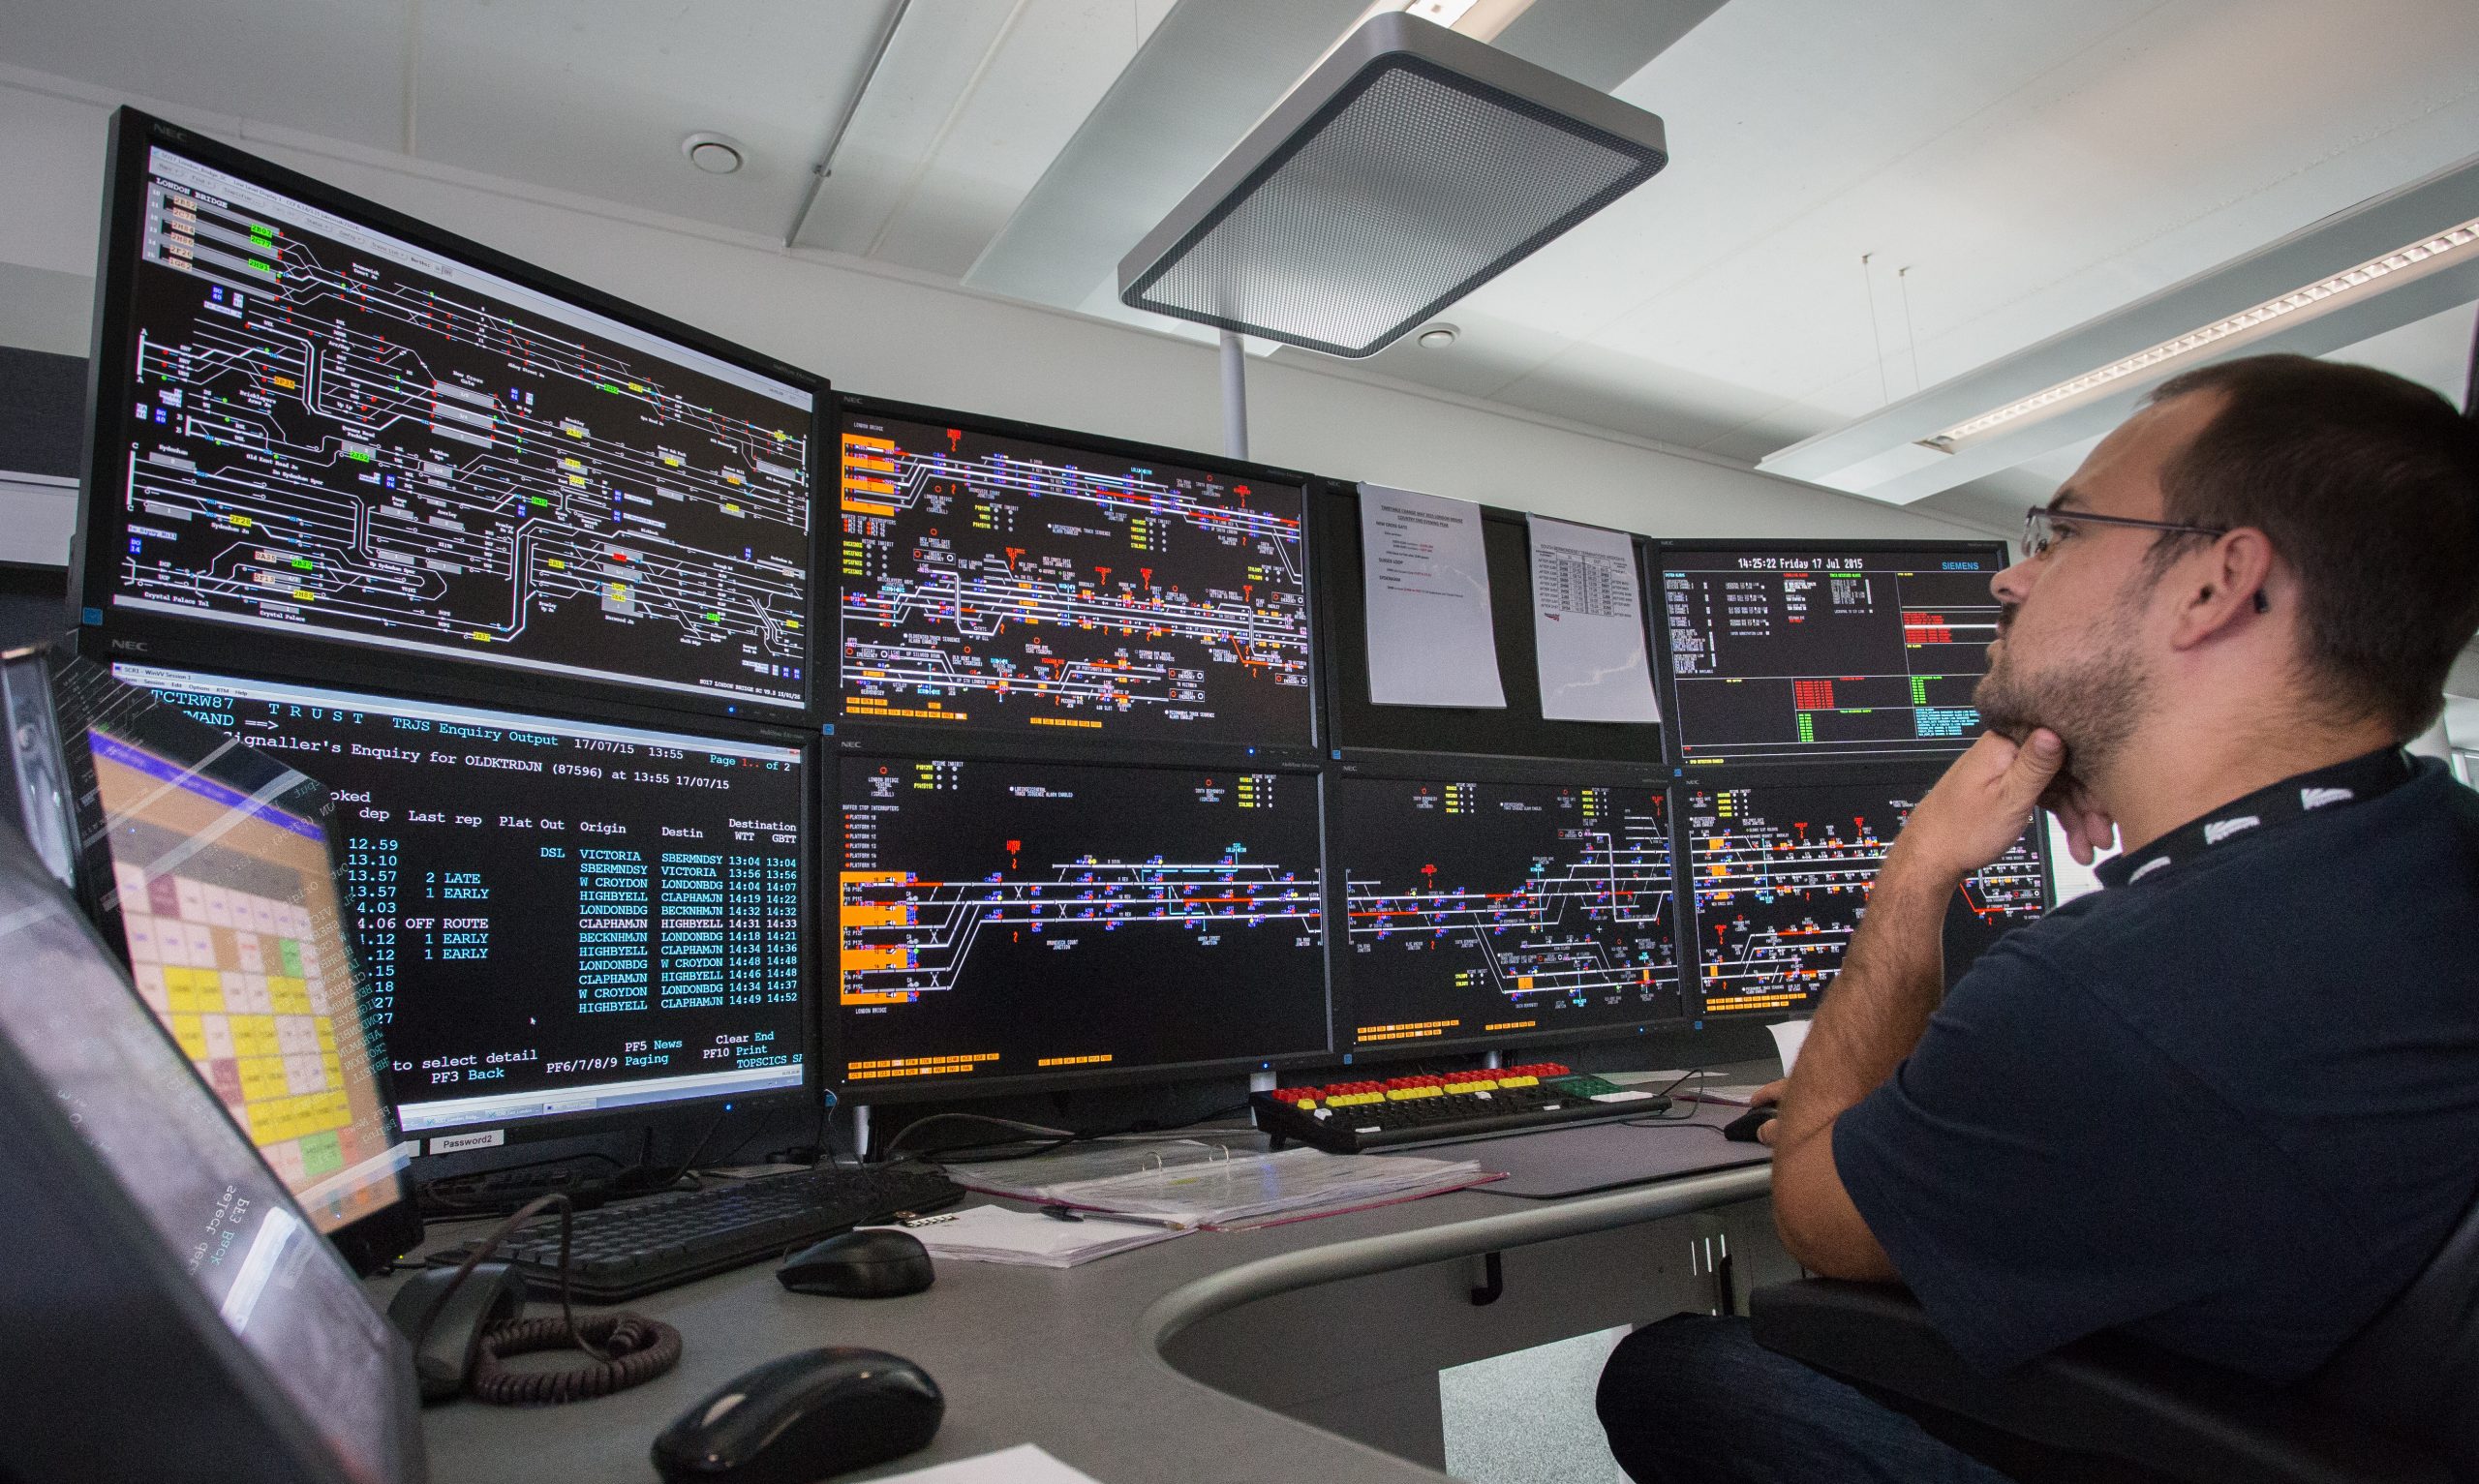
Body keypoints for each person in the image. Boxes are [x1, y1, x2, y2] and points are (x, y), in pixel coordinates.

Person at [1597, 352, 2479, 1484]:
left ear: (2213, 585)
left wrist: (1915, 871)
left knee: (1679, 1367)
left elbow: (1816, 1216)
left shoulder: (2107, 990)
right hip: (2360, 1393)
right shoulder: (2425, 845)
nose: (2013, 580)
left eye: (2060, 533)